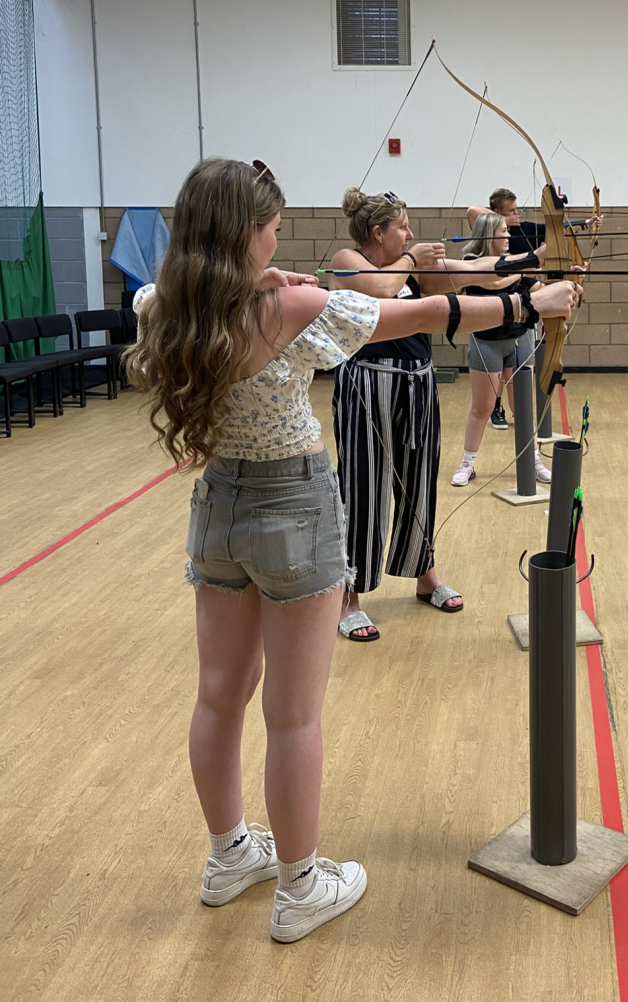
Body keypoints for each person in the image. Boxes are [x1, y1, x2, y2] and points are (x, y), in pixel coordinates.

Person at [123, 158, 579, 941]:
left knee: (218, 695)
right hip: (292, 507)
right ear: (242, 236)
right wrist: (527, 300)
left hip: (217, 508)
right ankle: (300, 886)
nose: (277, 240)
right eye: (268, 230)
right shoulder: (294, 306)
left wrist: (266, 277)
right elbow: (426, 315)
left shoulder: (162, 305)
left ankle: (229, 854)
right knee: (293, 717)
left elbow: (183, 290)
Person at [329, 188, 578, 641]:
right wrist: (412, 260)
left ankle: (423, 572)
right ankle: (349, 593)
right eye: (401, 227)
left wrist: (538, 258)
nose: (409, 234)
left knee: (420, 477)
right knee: (364, 484)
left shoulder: (414, 269)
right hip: (367, 382)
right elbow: (380, 289)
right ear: (377, 232)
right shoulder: (347, 261)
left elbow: (480, 271)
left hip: (417, 381)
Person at [467, 188, 603, 427]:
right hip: (492, 315)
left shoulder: (525, 229)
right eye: (510, 212)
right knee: (491, 382)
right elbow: (472, 212)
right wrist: (503, 223)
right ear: (496, 214)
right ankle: (495, 411)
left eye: (517, 210)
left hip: (522, 302)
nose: (516, 216)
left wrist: (586, 224)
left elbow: (555, 230)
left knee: (517, 383)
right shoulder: (486, 240)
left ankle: (526, 435)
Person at [451, 212, 549, 487]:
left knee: (523, 407)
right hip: (486, 343)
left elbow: (538, 287)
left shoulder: (513, 263)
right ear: (487, 235)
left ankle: (534, 460)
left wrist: (566, 279)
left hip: (520, 340)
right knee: (482, 407)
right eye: (502, 231)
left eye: (508, 231)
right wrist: (525, 266)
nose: (508, 236)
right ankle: (467, 464)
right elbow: (492, 281)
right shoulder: (472, 263)